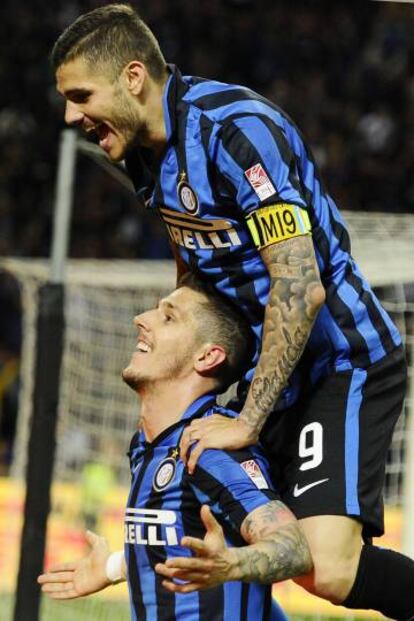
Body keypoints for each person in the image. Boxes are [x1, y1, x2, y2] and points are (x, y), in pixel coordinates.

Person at [51, 5, 414, 618]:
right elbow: (193, 262)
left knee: (325, 569)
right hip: (267, 368)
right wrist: (183, 349)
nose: (70, 115)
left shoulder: (237, 130)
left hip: (339, 361)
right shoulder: (142, 154)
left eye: (81, 95)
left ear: (133, 77)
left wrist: (246, 419)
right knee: (208, 501)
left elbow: (300, 285)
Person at [38, 276, 312, 620]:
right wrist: (112, 568)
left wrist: (232, 564)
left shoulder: (211, 448)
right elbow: (179, 536)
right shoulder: (147, 444)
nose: (141, 319)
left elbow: (294, 548)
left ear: (207, 356)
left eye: (168, 317)